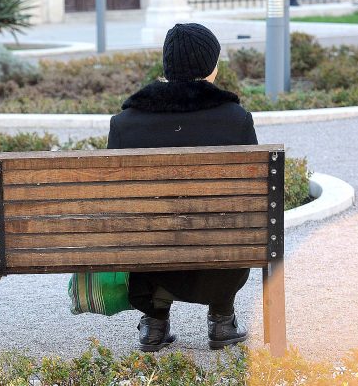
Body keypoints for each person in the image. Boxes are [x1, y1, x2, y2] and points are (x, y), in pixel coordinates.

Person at [107, 23, 257, 352]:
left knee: (143, 227)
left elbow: (116, 206)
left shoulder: (124, 125)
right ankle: (221, 319)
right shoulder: (236, 120)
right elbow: (250, 203)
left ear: (167, 66)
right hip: (220, 263)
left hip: (152, 261)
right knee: (233, 226)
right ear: (211, 67)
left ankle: (154, 322)